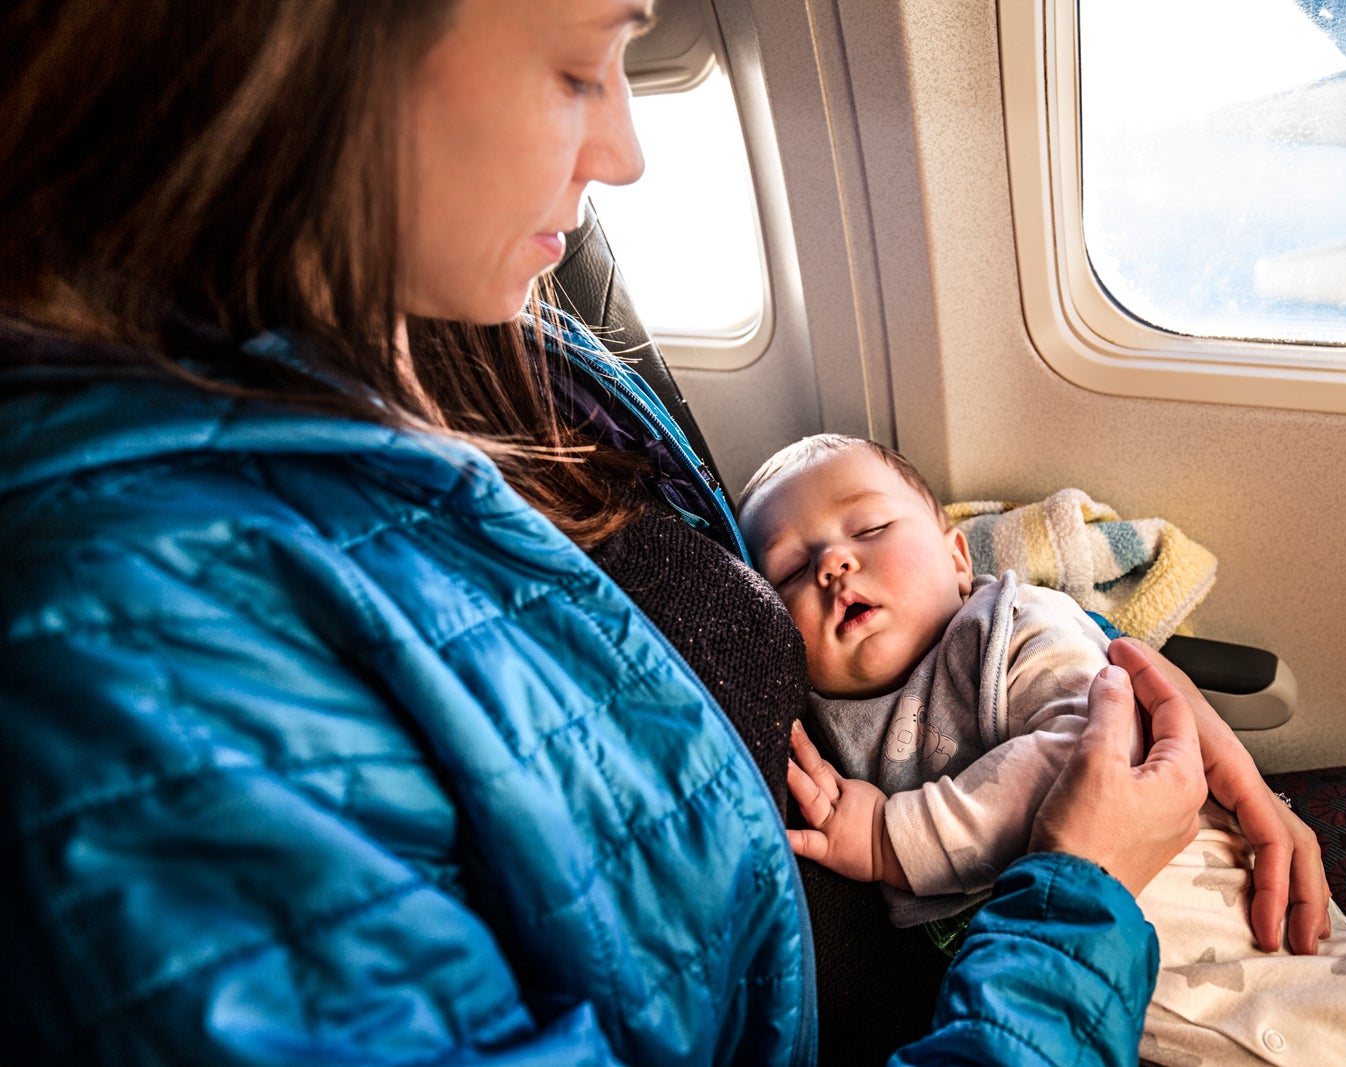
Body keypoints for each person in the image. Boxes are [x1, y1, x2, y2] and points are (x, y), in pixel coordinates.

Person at [0, 2, 1243, 1064]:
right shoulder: (132, 668)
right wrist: (1078, 899)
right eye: (577, 66)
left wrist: (1127, 695)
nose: (625, 149)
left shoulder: (508, 336)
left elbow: (891, 584)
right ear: (309, 73)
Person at [738, 432, 1346, 1067]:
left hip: (1265, 951)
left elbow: (1080, 753)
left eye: (870, 527)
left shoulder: (1008, 628)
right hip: (1132, 1014)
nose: (834, 564)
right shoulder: (826, 733)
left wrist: (893, 835)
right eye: (788, 567)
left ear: (960, 558)